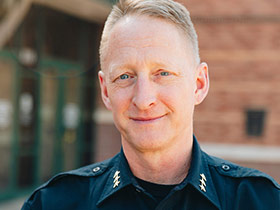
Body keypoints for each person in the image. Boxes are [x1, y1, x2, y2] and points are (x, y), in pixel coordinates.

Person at [22, 0, 280, 209]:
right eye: (125, 76)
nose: (144, 100)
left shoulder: (261, 202)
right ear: (105, 91)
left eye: (163, 73)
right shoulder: (54, 203)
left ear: (199, 84)